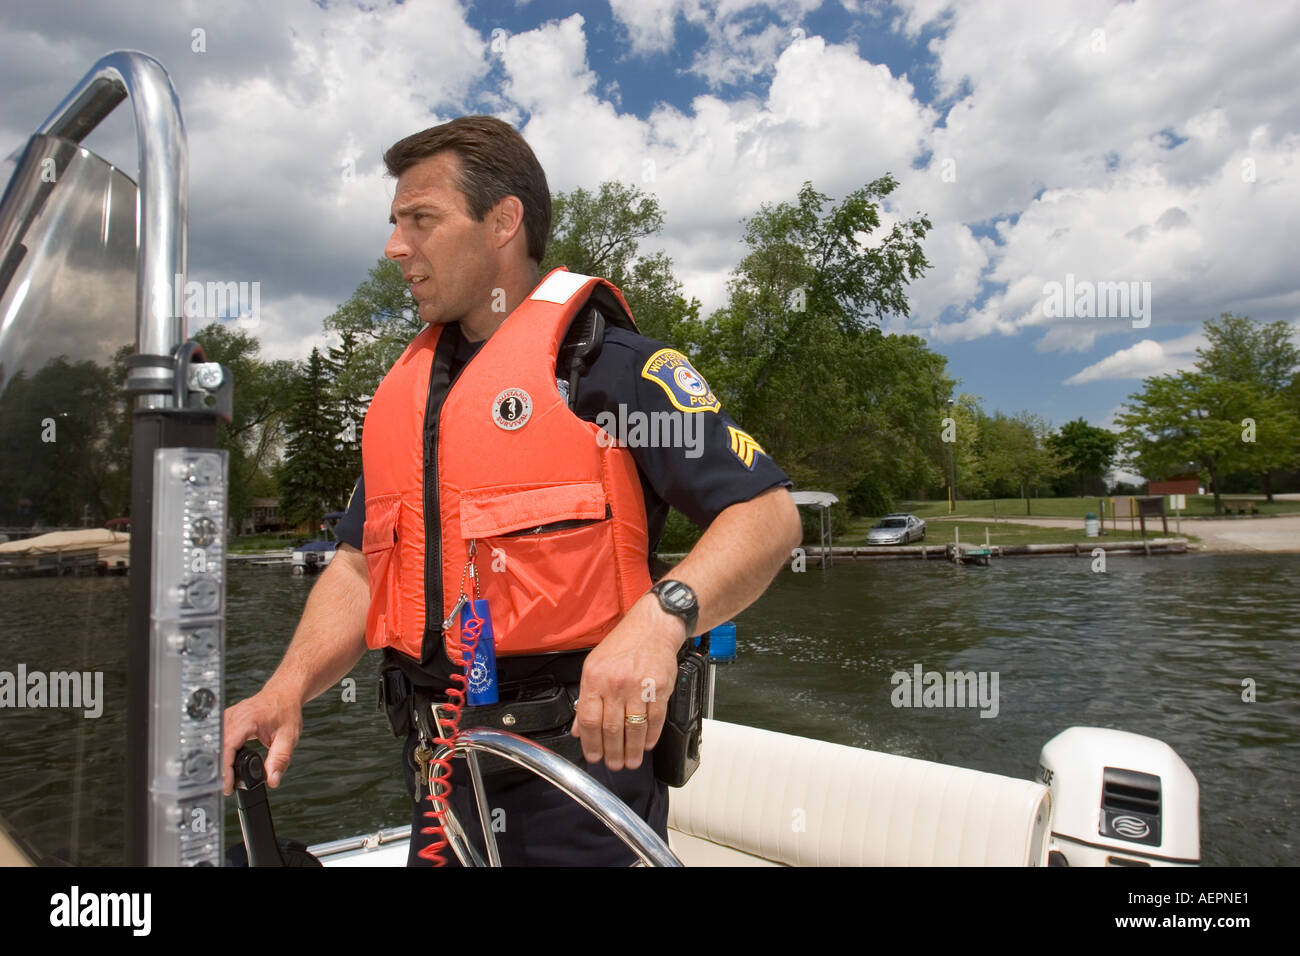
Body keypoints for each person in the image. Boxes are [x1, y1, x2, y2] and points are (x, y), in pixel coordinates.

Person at [222, 115, 803, 866]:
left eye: (421, 220)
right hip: (436, 779)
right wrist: (285, 691)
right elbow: (361, 566)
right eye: (395, 223)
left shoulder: (609, 369)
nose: (396, 246)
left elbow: (767, 513)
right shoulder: (410, 400)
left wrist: (663, 621)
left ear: (503, 222)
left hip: (577, 784)